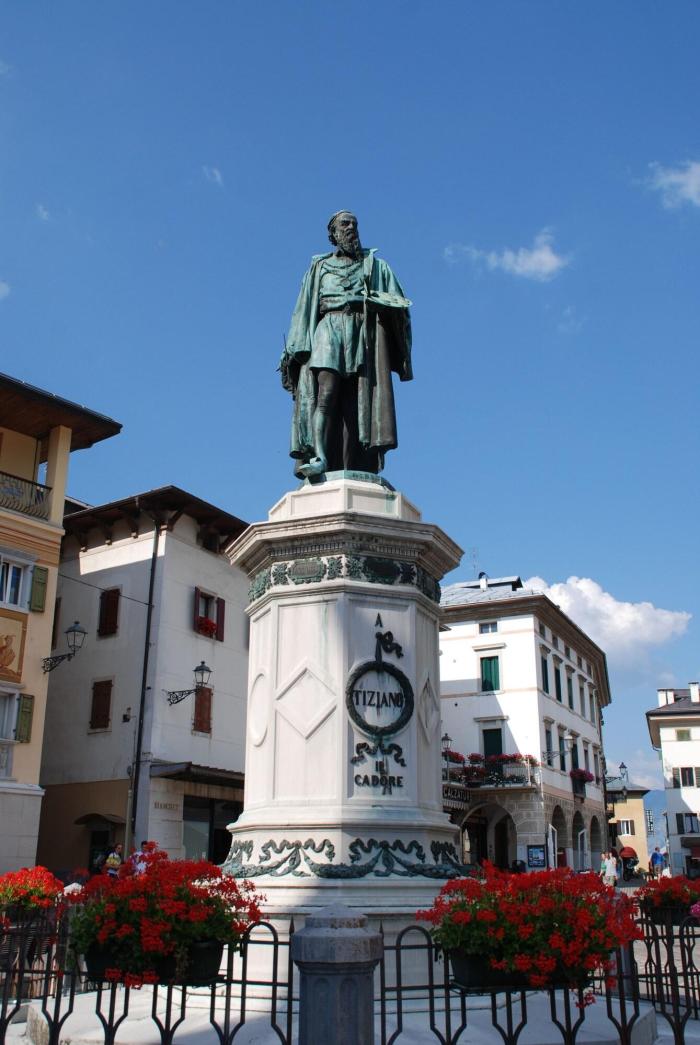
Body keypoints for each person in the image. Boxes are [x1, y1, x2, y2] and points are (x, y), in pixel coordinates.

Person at [280, 211, 412, 478]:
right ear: (333, 233)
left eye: (354, 224)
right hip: (328, 330)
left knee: (357, 402)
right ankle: (319, 457)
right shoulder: (319, 268)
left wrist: (370, 302)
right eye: (345, 224)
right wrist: (292, 350)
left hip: (362, 335)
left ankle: (357, 462)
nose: (351, 227)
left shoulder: (375, 266)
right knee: (325, 394)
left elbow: (399, 304)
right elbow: (302, 310)